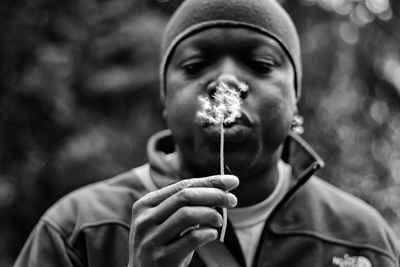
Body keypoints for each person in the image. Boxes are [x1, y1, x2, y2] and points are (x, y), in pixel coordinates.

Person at [14, 0, 400, 266]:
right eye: (197, 64)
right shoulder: (78, 228)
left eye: (261, 63)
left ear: (296, 96)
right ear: (165, 99)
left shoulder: (360, 237)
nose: (226, 82)